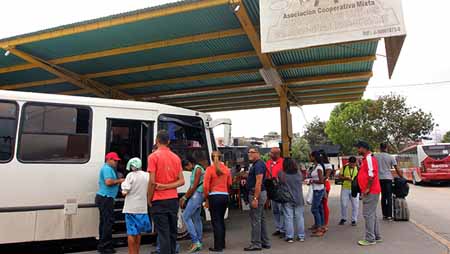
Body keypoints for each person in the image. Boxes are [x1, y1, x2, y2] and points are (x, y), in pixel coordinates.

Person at [147, 130, 185, 254]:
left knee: (163, 234)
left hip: (158, 200)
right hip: (172, 200)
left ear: (156, 141)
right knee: (172, 233)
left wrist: (149, 198)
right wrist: (168, 186)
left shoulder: (153, 157)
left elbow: (152, 182)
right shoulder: (176, 158)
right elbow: (181, 181)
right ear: (168, 142)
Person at [96, 152, 124, 254]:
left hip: (104, 198)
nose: (117, 162)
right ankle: (106, 247)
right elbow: (108, 182)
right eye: (115, 160)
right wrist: (120, 180)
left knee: (104, 222)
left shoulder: (107, 168)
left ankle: (102, 245)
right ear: (109, 159)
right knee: (108, 223)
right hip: (106, 198)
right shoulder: (107, 169)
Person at [204, 151, 232, 252]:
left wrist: (206, 197)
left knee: (216, 222)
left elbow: (206, 186)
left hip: (214, 197)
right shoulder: (227, 169)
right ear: (221, 158)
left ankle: (218, 246)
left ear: (212, 158)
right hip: (224, 196)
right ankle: (222, 243)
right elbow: (230, 183)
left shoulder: (209, 169)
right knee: (221, 220)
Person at [355, 141, 382, 246]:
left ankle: (370, 238)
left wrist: (367, 188)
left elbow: (372, 174)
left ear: (363, 148)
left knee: (368, 215)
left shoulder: (369, 158)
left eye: (359, 148)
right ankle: (376, 236)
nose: (358, 150)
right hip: (372, 190)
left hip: (370, 191)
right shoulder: (367, 159)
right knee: (372, 214)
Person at [121, 158, 151, 254]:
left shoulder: (130, 175)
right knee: (138, 233)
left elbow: (124, 192)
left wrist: (122, 186)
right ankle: (137, 252)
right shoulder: (147, 175)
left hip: (130, 208)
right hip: (142, 208)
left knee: (131, 233)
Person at [244, 147, 271, 251]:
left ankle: (256, 243)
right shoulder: (258, 164)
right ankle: (265, 242)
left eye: (252, 152)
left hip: (257, 194)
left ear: (257, 153)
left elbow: (258, 182)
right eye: (249, 152)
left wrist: (255, 198)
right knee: (261, 219)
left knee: (256, 220)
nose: (249, 154)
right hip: (259, 194)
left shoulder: (258, 165)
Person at [181, 158, 205, 253]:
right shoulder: (195, 169)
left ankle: (195, 241)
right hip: (197, 194)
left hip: (197, 194)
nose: (186, 169)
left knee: (185, 216)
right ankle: (199, 241)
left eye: (186, 167)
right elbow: (191, 186)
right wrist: (185, 196)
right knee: (196, 218)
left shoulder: (198, 169)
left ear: (190, 163)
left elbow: (194, 186)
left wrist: (185, 198)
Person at [279, 158, 305, 243]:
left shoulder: (282, 174)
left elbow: (279, 182)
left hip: (287, 198)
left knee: (288, 217)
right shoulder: (299, 173)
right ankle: (301, 236)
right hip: (299, 198)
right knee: (300, 217)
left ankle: (289, 237)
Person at [375, 143, 403, 221]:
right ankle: (389, 216)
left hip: (379, 179)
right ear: (386, 148)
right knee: (389, 197)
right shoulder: (390, 157)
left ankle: (384, 215)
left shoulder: (375, 156)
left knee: (383, 197)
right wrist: (402, 177)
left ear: (380, 148)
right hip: (388, 179)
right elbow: (396, 168)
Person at [265, 147, 285, 237]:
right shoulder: (268, 162)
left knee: (282, 210)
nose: (270, 154)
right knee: (275, 210)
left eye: (272, 153)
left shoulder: (283, 162)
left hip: (280, 189)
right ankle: (278, 228)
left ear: (277, 154)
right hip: (272, 189)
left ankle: (283, 229)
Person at [309, 151, 326, 237]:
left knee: (314, 209)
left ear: (314, 157)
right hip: (317, 190)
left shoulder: (319, 167)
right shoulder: (316, 166)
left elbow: (321, 181)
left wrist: (312, 180)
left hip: (318, 190)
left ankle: (319, 228)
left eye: (310, 156)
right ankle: (321, 226)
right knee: (319, 208)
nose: (309, 158)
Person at [338, 156, 359, 226]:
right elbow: (340, 176)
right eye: (351, 164)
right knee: (343, 204)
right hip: (345, 188)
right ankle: (343, 218)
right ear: (349, 162)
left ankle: (354, 220)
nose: (352, 165)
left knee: (355, 205)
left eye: (354, 164)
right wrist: (345, 178)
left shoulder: (358, 168)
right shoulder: (344, 168)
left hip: (355, 189)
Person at [319, 150, 332, 230]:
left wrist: (318, 180)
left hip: (324, 185)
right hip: (318, 185)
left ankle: (325, 223)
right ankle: (319, 222)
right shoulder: (318, 165)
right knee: (319, 205)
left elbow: (326, 177)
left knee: (324, 204)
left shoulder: (328, 165)